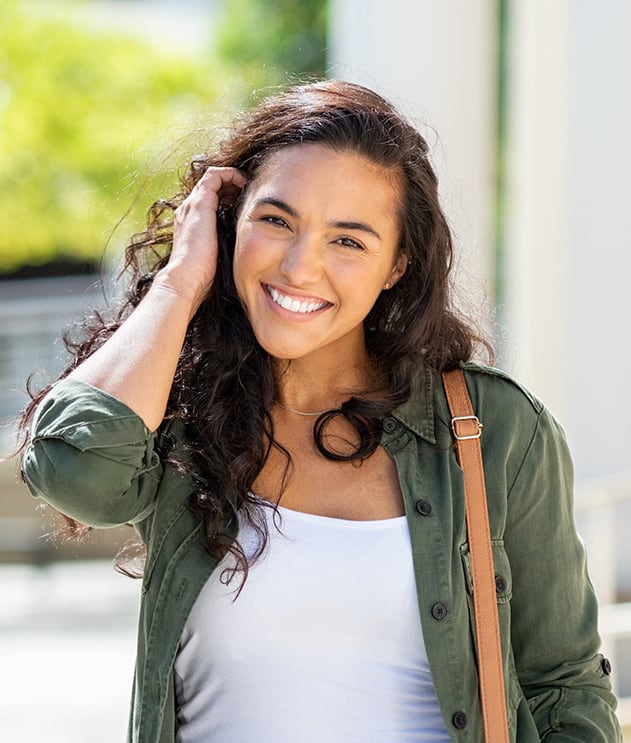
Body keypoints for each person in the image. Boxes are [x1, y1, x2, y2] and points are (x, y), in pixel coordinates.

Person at [19, 80, 622, 743]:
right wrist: (181, 280)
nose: (301, 267)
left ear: (397, 265)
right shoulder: (179, 414)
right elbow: (72, 472)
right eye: (275, 220)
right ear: (230, 221)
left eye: (348, 241)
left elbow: (563, 686)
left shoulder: (492, 427)